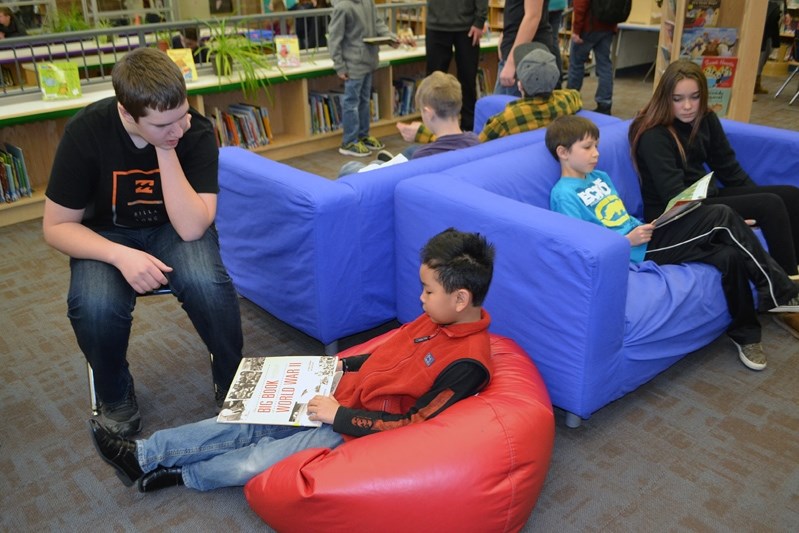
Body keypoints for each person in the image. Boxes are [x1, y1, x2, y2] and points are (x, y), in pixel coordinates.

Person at [88, 227, 496, 493]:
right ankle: (142, 455)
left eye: (427, 291)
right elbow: (385, 356)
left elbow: (415, 424)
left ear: (460, 299)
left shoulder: (467, 364)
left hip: (353, 427)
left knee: (258, 458)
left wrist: (340, 417)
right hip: (338, 392)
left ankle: (182, 475)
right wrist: (342, 367)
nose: (421, 299)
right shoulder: (432, 319)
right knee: (245, 420)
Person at [42, 48, 244, 438]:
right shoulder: (86, 131)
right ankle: (115, 394)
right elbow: (56, 227)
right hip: (105, 234)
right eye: (162, 124)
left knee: (209, 285)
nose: (178, 129)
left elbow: (191, 229)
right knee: (94, 307)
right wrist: (120, 255)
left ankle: (233, 377)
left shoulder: (193, 131)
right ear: (126, 114)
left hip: (173, 228)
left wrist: (165, 148)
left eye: (181, 115)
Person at [546, 115, 799, 370]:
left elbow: (620, 217)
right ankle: (782, 290)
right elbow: (581, 244)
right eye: (587, 147)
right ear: (563, 152)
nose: (596, 153)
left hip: (646, 232)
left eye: (597, 146)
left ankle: (746, 335)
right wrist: (626, 241)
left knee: (728, 253)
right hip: (635, 250)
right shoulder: (563, 194)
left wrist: (647, 226)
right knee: (721, 214)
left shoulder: (600, 177)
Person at [628, 60, 799, 280]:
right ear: (665, 98)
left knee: (790, 195)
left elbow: (729, 169)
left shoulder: (705, 118)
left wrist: (752, 202)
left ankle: (794, 272)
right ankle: (787, 292)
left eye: (695, 97)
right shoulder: (654, 135)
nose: (688, 106)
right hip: (672, 214)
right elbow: (674, 198)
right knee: (770, 204)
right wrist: (730, 218)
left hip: (705, 198)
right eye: (678, 99)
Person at [398, 42, 581, 145]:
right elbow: (575, 96)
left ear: (520, 84)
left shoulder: (506, 119)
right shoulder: (566, 100)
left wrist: (423, 134)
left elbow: (471, 151)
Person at [340, 71, 480, 176]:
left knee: (349, 168)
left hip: (395, 180)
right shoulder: (475, 141)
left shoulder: (423, 157)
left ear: (429, 113)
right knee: (404, 153)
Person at [328, 0, 409, 157]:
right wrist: (339, 66)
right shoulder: (343, 7)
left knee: (364, 100)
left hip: (369, 61)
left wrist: (391, 38)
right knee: (351, 103)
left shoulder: (368, 2)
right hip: (353, 64)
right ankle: (349, 141)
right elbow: (334, 38)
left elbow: (378, 24)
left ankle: (362, 136)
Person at [424, 0, 488, 131]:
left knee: (468, 79)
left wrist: (480, 21)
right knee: (433, 83)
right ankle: (431, 129)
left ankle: (469, 129)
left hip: (468, 27)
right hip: (436, 25)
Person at [494, 0, 555, 97]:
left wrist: (511, 62)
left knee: (513, 110)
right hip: (514, 53)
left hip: (524, 58)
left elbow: (533, 17)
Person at [566, 0, 616, 115]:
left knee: (576, 64)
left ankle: (570, 100)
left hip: (589, 27)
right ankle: (605, 103)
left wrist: (576, 30)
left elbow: (580, 6)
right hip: (608, 26)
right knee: (605, 66)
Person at [754, 0, 782, 97]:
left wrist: (785, 13)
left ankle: (757, 83)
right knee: (758, 55)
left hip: (772, 21)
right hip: (762, 19)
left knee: (766, 51)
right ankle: (750, 87)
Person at [547, 0, 567, 87]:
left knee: (541, 40)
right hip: (559, 4)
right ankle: (557, 80)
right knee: (553, 41)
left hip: (546, 5)